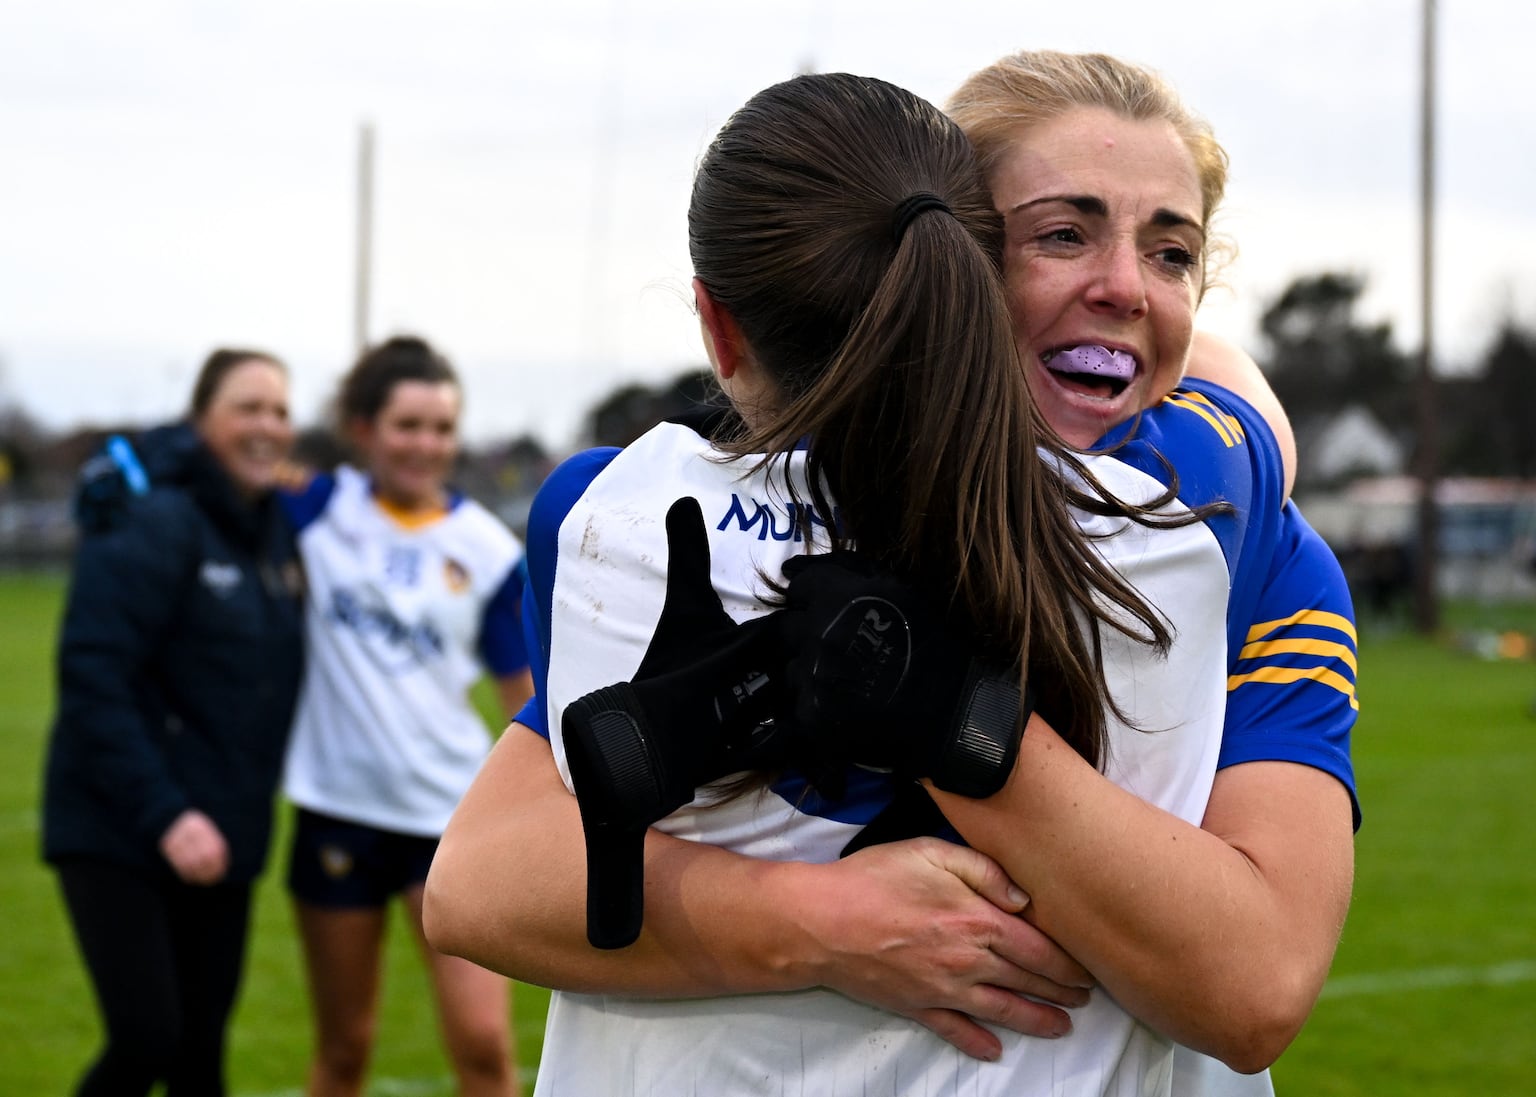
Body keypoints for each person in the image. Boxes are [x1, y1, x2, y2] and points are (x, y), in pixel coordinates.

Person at [425, 69, 1347, 1095]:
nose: (1126, 286)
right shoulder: (669, 523)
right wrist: (818, 920)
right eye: (1059, 236)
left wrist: (957, 720)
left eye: (1172, 253)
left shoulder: (1236, 544)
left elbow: (1254, 986)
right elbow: (480, 881)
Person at [42, 348, 305, 1097]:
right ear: (201, 422)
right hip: (121, 827)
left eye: (280, 410)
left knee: (199, 1058)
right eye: (246, 408)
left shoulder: (269, 531)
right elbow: (92, 674)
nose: (267, 426)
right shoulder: (155, 519)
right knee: (147, 1039)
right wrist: (166, 814)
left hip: (225, 834)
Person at [278, 335, 531, 1097]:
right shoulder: (316, 510)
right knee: (346, 1049)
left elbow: (522, 697)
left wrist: (536, 815)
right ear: (363, 428)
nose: (426, 444)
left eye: (441, 427)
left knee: (486, 1048)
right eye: (407, 424)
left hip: (450, 822)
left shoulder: (486, 548)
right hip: (338, 812)